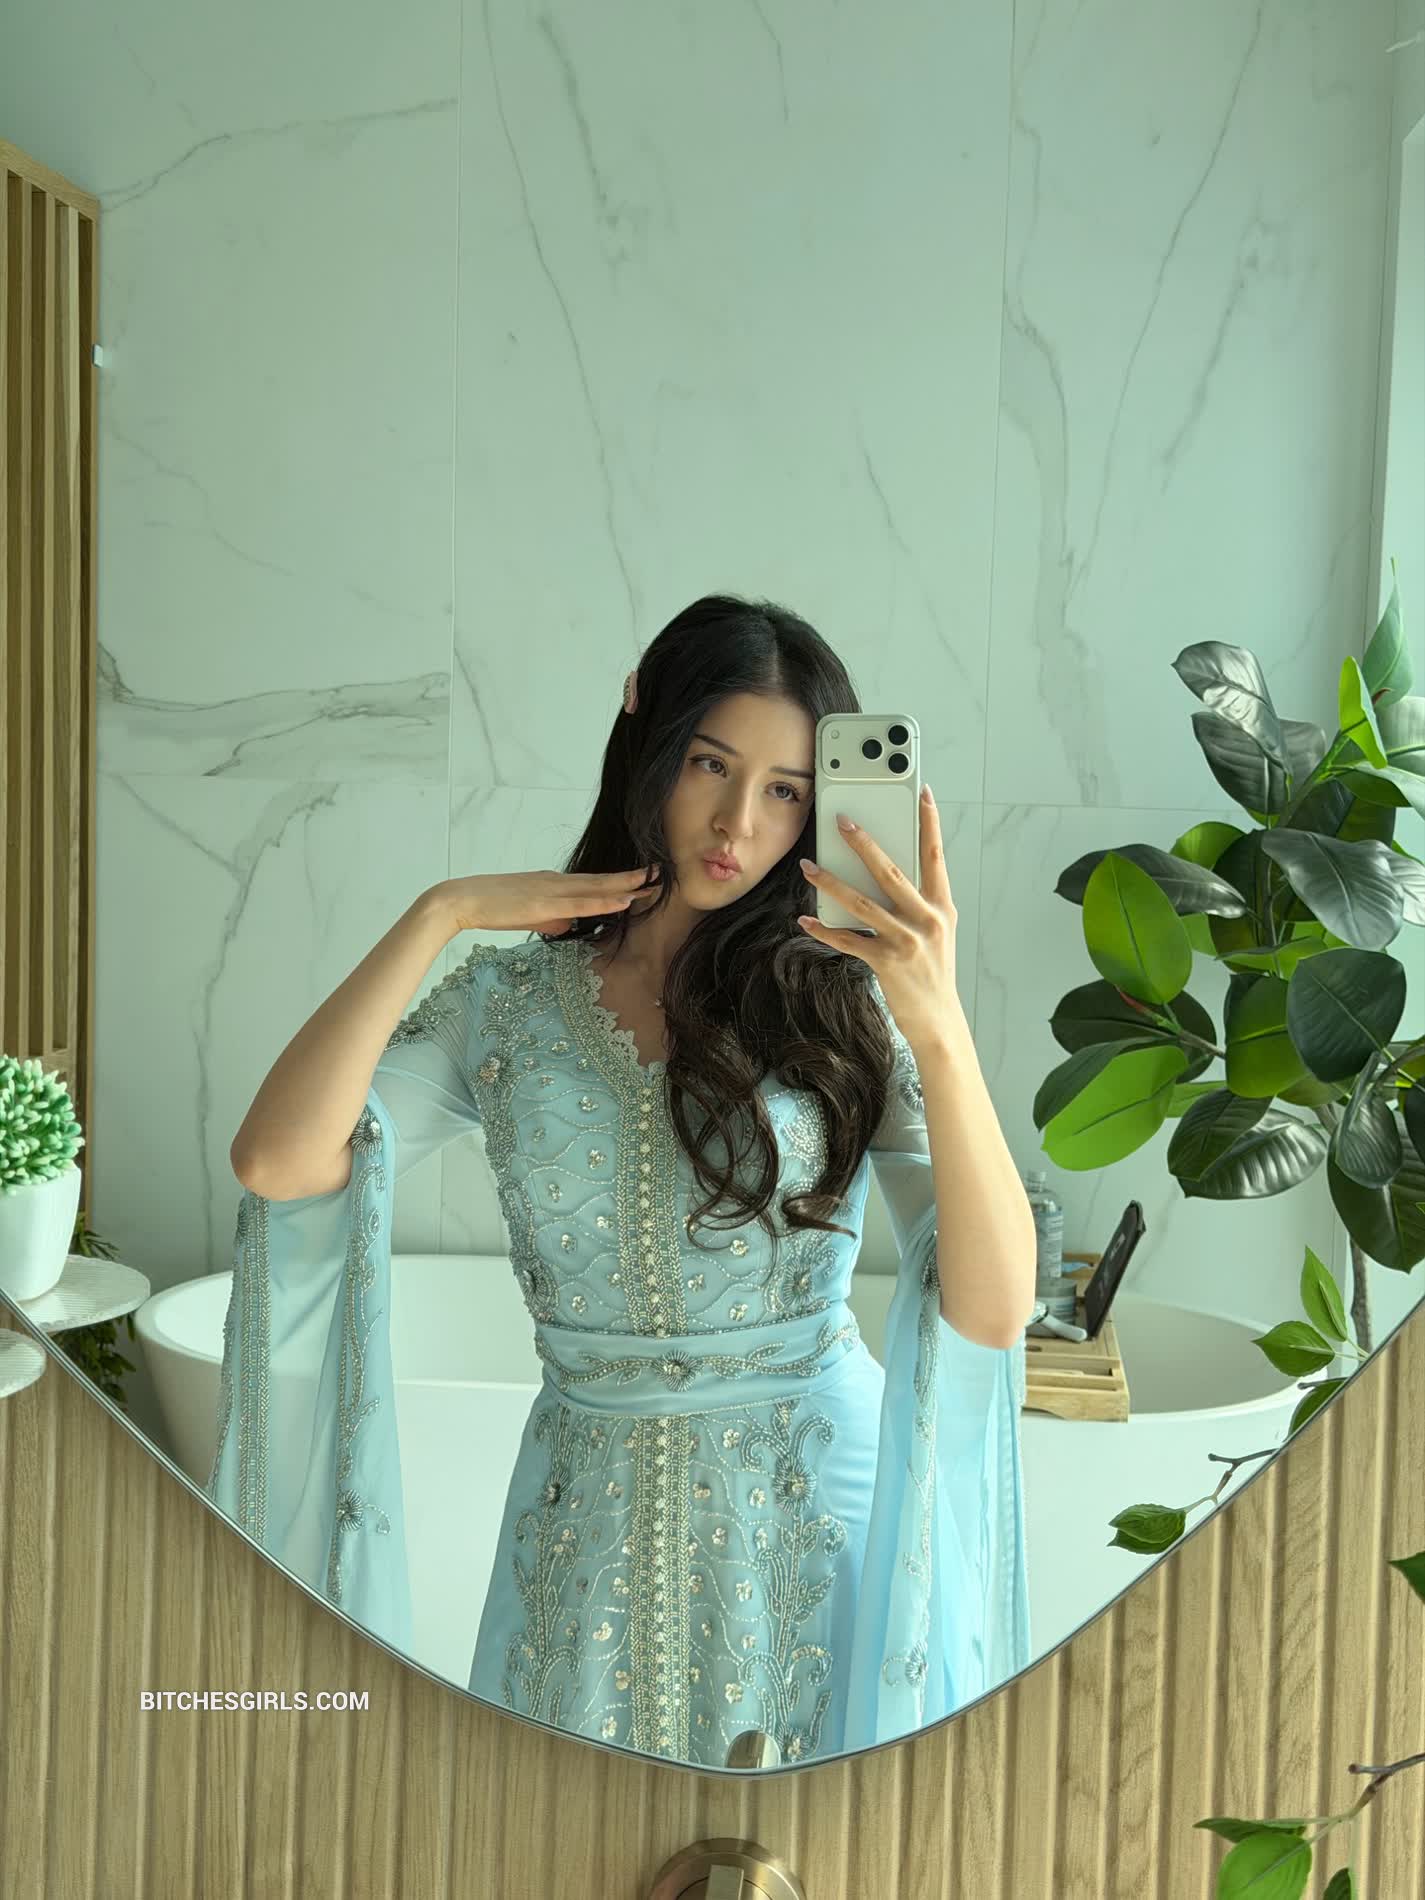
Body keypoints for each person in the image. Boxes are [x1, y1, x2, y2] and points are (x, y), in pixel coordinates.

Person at [206, 594, 1031, 1766]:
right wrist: (440, 915)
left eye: (786, 790)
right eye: (711, 764)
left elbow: (992, 1311)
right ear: (647, 732)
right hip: (581, 1524)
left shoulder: (843, 1000)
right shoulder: (508, 1006)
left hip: (809, 1516)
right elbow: (276, 1159)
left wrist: (938, 1026)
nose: (738, 822)